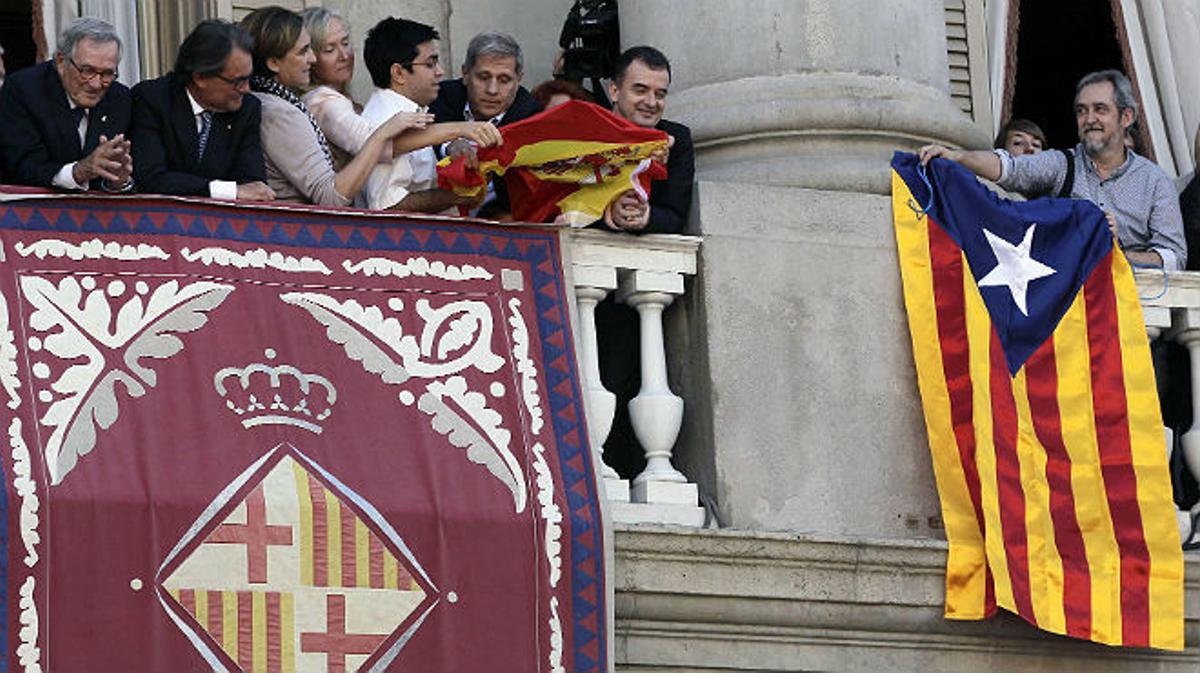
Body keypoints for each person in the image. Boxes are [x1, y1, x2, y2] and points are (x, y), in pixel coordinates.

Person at [919, 69, 1186, 270]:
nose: (1089, 119)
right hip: (1074, 313)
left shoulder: (1155, 180)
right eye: (1082, 111)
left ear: (1126, 117)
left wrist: (1119, 254)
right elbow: (1010, 168)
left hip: (1135, 313)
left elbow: (1174, 256)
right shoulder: (1062, 163)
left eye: (1100, 110)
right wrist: (958, 157)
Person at [241, 7, 427, 206]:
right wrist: (381, 135)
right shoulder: (282, 112)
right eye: (305, 51)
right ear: (274, 63)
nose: (311, 59)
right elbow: (332, 197)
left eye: (346, 43)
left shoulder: (276, 101)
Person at [359, 17, 501, 212]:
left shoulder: (405, 110)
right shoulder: (387, 118)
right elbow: (387, 205)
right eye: (430, 64)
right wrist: (458, 196)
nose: (440, 72)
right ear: (399, 73)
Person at [130, 20, 273, 200]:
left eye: (249, 78)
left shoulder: (247, 108)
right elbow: (151, 178)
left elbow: (253, 184)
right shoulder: (153, 100)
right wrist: (227, 191)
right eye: (238, 81)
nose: (246, 89)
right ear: (200, 78)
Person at [0, 17, 133, 191]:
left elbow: (124, 175)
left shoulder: (120, 98)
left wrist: (118, 181)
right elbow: (23, 167)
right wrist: (78, 172)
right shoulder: (24, 90)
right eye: (87, 71)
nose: (96, 84)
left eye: (107, 73)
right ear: (61, 61)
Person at [430, 32, 543, 218]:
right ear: (465, 74)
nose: (492, 90)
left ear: (519, 80)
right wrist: (451, 143)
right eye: (483, 77)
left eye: (504, 80)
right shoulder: (441, 96)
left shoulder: (531, 117)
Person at [603, 46, 694, 235]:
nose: (651, 102)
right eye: (640, 90)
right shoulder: (586, 132)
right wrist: (609, 214)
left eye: (660, 94)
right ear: (614, 91)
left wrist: (646, 216)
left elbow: (676, 215)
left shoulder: (677, 139)